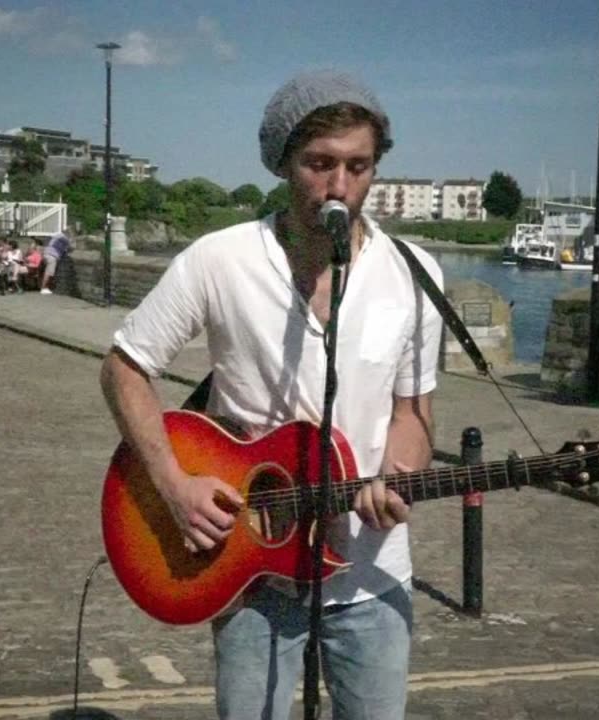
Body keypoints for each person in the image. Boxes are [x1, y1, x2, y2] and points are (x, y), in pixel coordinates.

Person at [99, 70, 442, 720]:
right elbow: (124, 368)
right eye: (320, 164)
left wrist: (397, 475)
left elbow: (414, 413)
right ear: (283, 161)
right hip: (249, 571)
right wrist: (173, 484)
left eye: (358, 166)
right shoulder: (220, 259)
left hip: (372, 575)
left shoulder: (417, 275)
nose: (340, 186)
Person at [41, 227, 74, 295]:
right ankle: (43, 288)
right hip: (52, 256)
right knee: (49, 273)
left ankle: (45, 288)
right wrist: (71, 238)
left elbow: (63, 249)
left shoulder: (56, 236)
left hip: (46, 253)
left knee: (47, 272)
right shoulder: (63, 237)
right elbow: (71, 246)